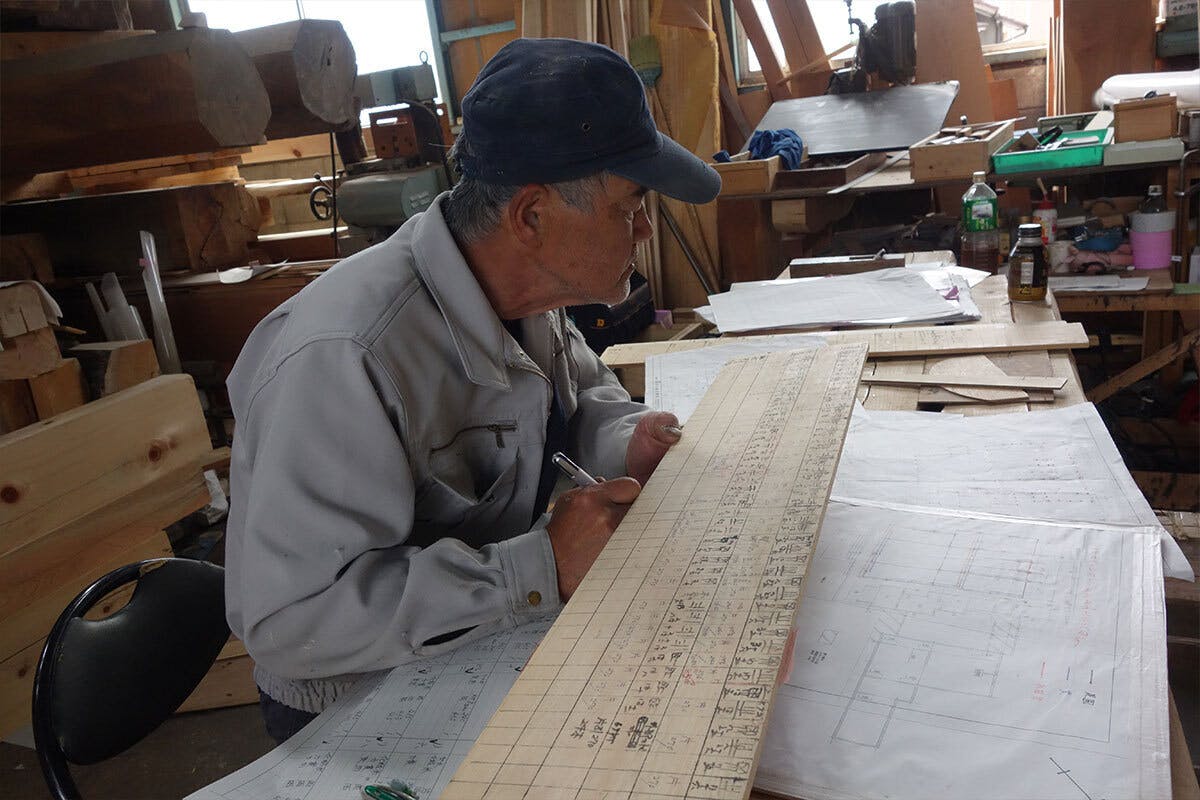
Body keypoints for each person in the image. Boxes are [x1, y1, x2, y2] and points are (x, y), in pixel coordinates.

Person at [223, 37, 721, 743]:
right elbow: (292, 622)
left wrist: (626, 442)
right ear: (532, 216)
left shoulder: (525, 289)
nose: (644, 230)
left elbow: (582, 397)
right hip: (352, 696)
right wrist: (540, 564)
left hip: (480, 638)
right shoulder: (345, 355)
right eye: (630, 205)